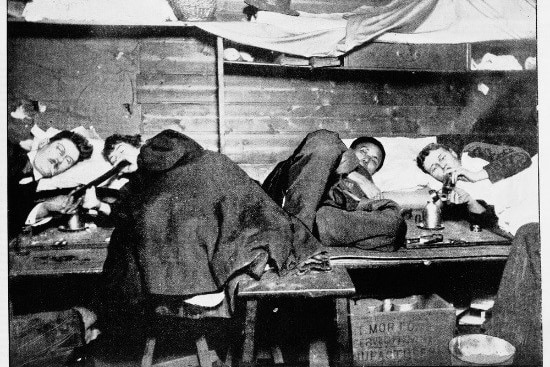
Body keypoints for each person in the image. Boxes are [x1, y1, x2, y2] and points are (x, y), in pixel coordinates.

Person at [416, 141, 540, 365]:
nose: (441, 167)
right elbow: (490, 217)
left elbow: (521, 155)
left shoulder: (471, 153)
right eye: (434, 168)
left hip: (534, 182)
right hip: (522, 213)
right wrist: (470, 201)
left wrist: (475, 174)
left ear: (453, 153)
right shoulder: (452, 192)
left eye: (442, 158)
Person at [262, 129, 406, 250]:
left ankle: (301, 232)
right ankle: (298, 230)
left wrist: (365, 202)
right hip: (294, 197)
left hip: (322, 219)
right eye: (363, 151)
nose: (367, 159)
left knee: (395, 223)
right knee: (325, 139)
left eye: (374, 160)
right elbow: (319, 153)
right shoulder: (330, 151)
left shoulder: (370, 186)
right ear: (349, 150)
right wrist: (352, 173)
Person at [7, 130, 94, 240]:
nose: (60, 160)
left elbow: (11, 218)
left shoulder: (31, 187)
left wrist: (46, 207)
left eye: (68, 160)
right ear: (43, 143)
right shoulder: (7, 150)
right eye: (59, 149)